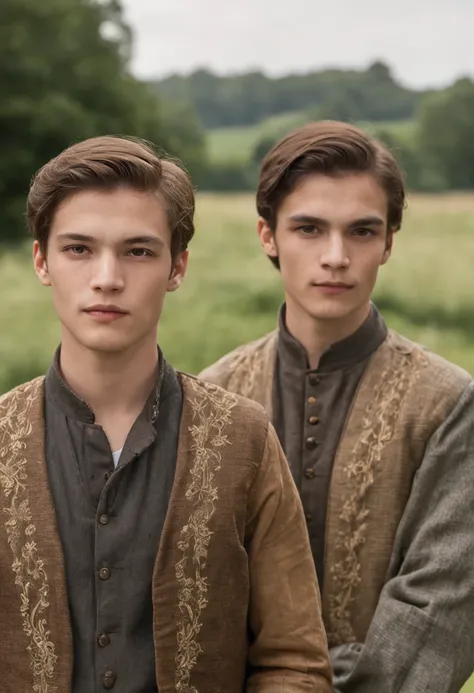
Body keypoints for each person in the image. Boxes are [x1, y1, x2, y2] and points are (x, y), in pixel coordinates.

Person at [0, 135, 332, 693]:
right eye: (79, 248)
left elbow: (294, 661)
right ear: (42, 260)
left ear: (177, 266)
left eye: (138, 250)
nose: (107, 277)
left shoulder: (243, 440)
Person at [199, 121, 474, 693]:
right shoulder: (213, 396)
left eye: (362, 232)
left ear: (388, 244)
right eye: (308, 228)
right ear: (267, 235)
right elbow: (196, 596)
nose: (335, 256)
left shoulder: (447, 402)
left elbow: (440, 606)